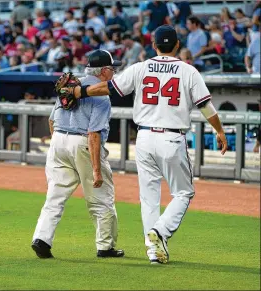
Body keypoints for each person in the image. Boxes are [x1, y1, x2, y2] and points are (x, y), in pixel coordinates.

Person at [64, 25, 228, 264]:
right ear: (177, 46)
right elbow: (205, 106)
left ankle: (153, 251)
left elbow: (110, 88)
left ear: (153, 45)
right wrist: (220, 130)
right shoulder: (188, 71)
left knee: (149, 197)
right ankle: (160, 233)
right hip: (172, 137)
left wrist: (80, 91)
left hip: (144, 137)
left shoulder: (140, 67)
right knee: (183, 192)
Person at [31, 49, 124, 259]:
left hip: (58, 141)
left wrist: (59, 143)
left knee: (54, 196)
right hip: (83, 143)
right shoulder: (101, 95)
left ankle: (41, 239)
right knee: (101, 198)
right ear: (104, 71)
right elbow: (93, 134)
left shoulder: (69, 85)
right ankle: (105, 246)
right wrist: (97, 170)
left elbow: (51, 121)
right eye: (112, 68)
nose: (114, 72)